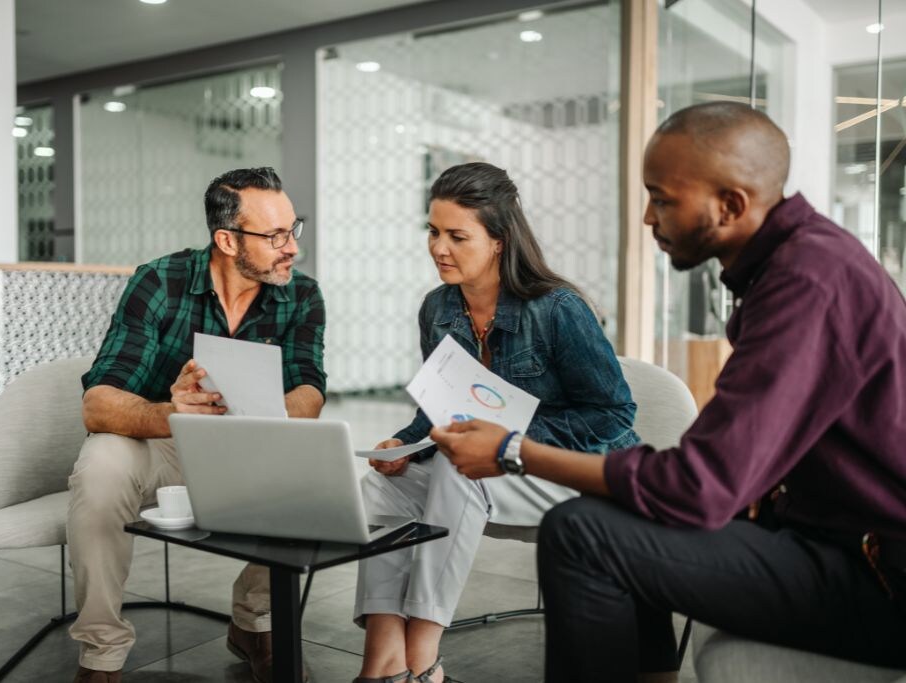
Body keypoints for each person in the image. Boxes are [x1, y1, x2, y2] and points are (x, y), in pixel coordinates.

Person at [431, 102, 906, 682]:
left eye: (662, 198)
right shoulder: (798, 263)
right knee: (620, 506)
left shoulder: (808, 282)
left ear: (730, 206)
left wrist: (513, 450)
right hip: (829, 540)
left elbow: (700, 490)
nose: (649, 219)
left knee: (579, 534)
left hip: (877, 574)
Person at [353, 162, 639, 683]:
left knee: (460, 474)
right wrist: (407, 442)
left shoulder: (558, 309)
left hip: (572, 473)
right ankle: (382, 659)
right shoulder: (437, 309)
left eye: (457, 236)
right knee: (383, 487)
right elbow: (439, 406)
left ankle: (423, 659)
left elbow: (614, 413)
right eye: (433, 232)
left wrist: (509, 441)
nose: (439, 247)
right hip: (494, 467)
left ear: (499, 241)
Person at [68, 167, 326, 683]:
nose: (291, 248)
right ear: (227, 239)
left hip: (249, 444)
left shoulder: (302, 295)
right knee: (100, 464)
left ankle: (255, 621)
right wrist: (171, 412)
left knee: (317, 473)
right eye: (274, 236)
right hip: (165, 443)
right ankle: (101, 653)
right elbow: (98, 405)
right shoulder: (159, 281)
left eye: (292, 229)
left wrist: (258, 410)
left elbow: (310, 391)